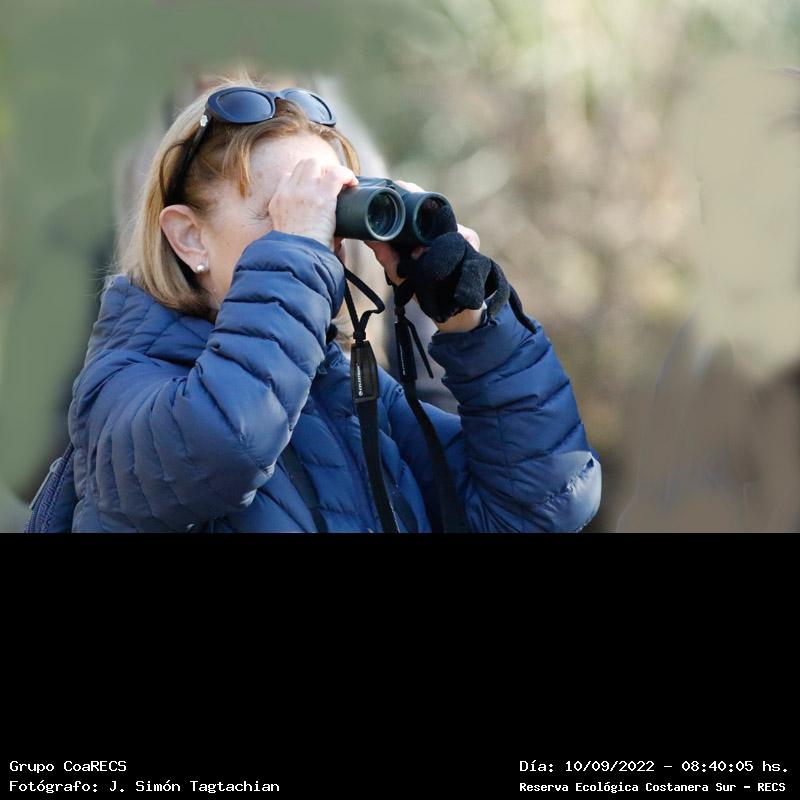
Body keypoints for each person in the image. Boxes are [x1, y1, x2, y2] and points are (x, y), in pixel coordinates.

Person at [66, 74, 601, 532]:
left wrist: (473, 326)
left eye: (329, 215)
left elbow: (539, 508)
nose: (321, 241)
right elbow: (227, 441)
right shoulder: (120, 387)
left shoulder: (349, 393)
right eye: (283, 210)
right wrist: (297, 246)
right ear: (189, 237)